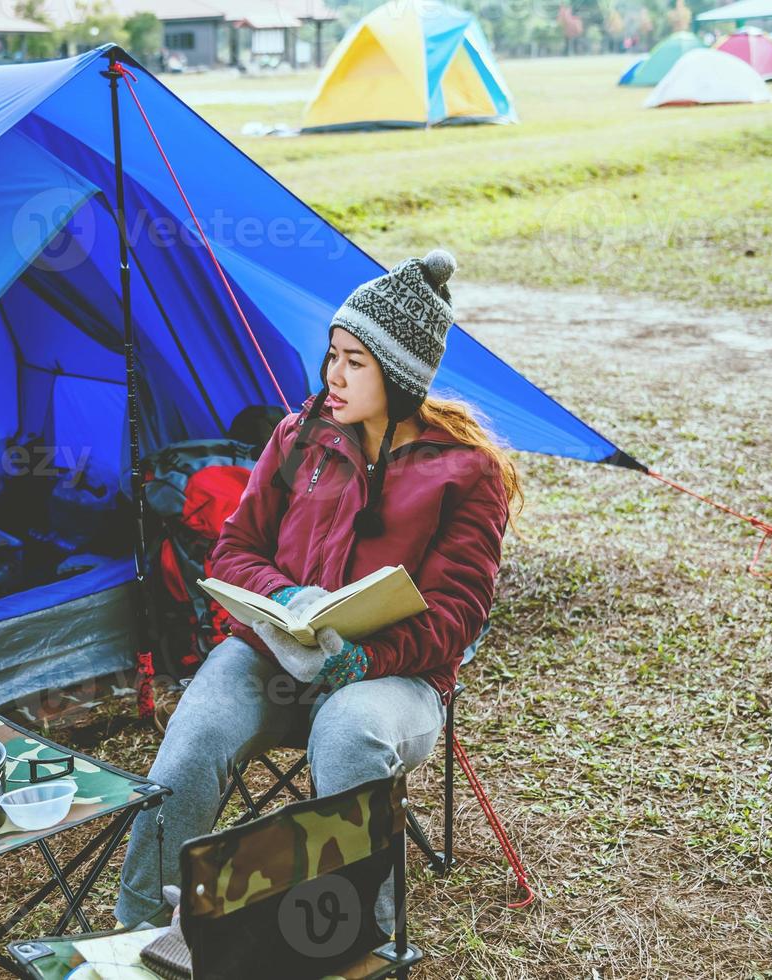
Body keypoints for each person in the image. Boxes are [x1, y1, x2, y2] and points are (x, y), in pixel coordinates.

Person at [114, 249, 521, 929]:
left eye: (354, 361)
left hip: (396, 679)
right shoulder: (298, 436)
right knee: (194, 736)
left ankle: (361, 943)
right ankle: (139, 929)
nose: (332, 375)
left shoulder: (464, 472)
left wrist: (365, 658)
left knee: (349, 731)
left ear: (398, 373)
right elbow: (235, 550)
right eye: (332, 354)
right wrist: (291, 602)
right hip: (273, 655)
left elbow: (458, 616)